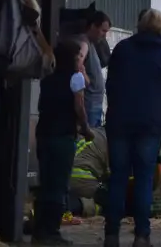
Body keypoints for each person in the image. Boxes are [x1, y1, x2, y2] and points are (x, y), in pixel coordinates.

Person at [103, 9, 161, 247]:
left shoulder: (123, 49)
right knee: (145, 179)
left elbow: (111, 84)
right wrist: (160, 119)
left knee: (117, 178)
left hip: (120, 122)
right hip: (150, 124)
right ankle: (142, 235)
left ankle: (111, 235)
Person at [34, 39, 94, 245]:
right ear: (72, 58)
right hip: (63, 134)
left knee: (46, 182)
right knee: (59, 184)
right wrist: (86, 130)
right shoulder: (75, 78)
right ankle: (51, 231)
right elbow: (79, 106)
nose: (80, 60)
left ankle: (39, 228)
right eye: (78, 56)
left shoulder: (48, 78)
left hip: (44, 133)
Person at [72, 9, 111, 127]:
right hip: (89, 106)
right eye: (103, 30)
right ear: (93, 26)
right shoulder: (84, 42)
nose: (104, 35)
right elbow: (77, 61)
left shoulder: (92, 44)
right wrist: (86, 78)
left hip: (94, 106)